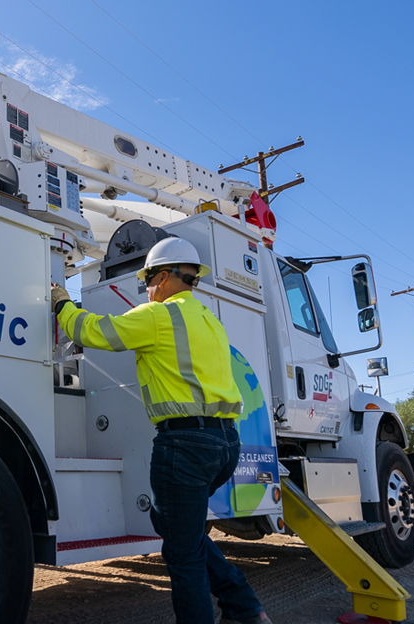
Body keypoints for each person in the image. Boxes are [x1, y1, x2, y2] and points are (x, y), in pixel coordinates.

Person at [51, 237, 270, 624]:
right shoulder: (208, 319)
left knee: (182, 554)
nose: (146, 291)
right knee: (171, 526)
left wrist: (61, 304)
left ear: (165, 276)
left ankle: (245, 609)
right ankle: (242, 605)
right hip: (224, 443)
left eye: (147, 282)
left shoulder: (160, 316)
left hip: (184, 445)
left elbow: (93, 332)